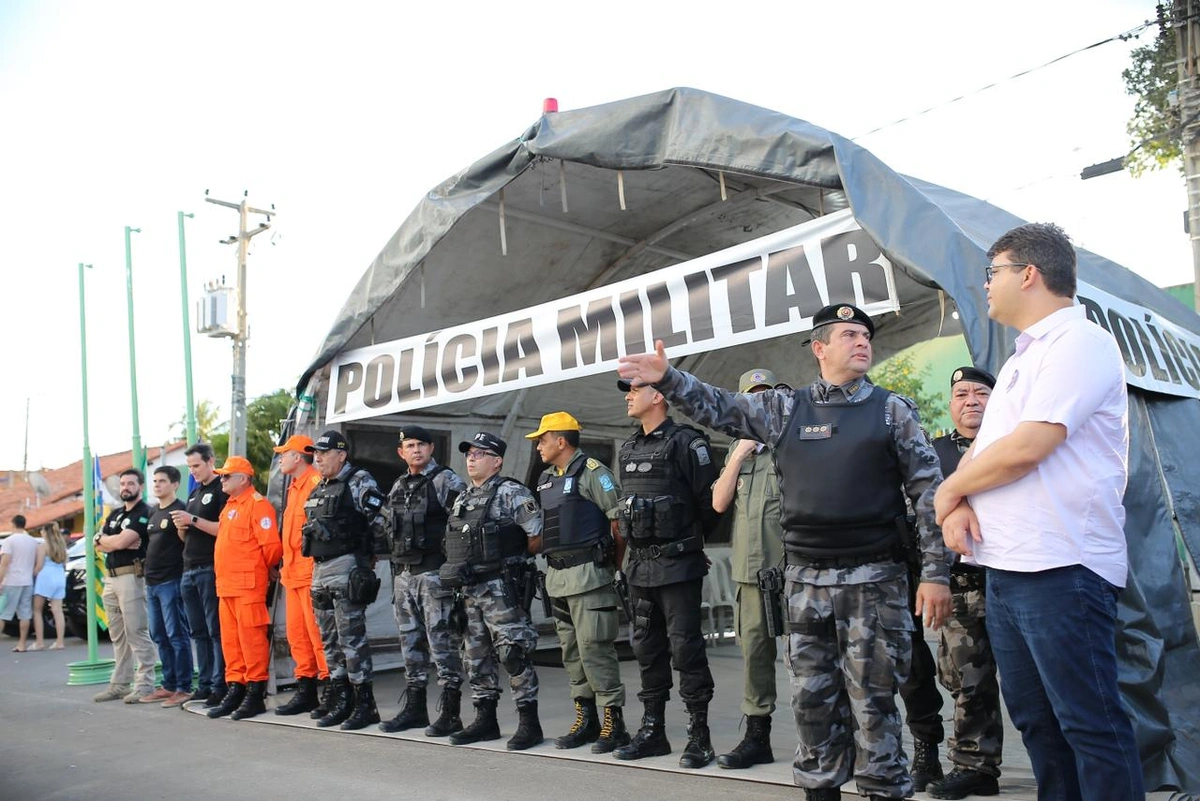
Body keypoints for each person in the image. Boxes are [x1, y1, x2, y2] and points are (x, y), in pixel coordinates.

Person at [617, 303, 952, 801]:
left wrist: (936, 573)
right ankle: (821, 789)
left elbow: (930, 495)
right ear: (819, 348)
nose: (862, 341)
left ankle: (883, 787)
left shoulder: (891, 410)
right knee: (812, 702)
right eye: (848, 335)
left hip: (874, 580)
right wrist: (670, 379)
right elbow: (721, 406)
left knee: (874, 703)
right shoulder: (785, 408)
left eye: (865, 334)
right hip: (806, 583)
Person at [935, 223, 1144, 801]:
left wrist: (945, 491)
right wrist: (958, 502)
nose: (985, 287)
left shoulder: (1080, 345)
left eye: (991, 273)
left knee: (1089, 725)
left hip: (1063, 568)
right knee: (1039, 724)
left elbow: (1029, 446)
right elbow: (985, 450)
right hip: (1006, 568)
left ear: (1028, 274)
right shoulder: (1023, 357)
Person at [611, 379, 720, 770]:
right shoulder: (629, 447)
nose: (627, 396)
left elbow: (710, 504)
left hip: (677, 567)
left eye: (634, 390)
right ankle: (653, 731)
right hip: (640, 566)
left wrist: (690, 544)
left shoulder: (688, 443)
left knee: (686, 649)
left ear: (658, 397)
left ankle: (698, 737)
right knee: (646, 650)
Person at [526, 412, 631, 753]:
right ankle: (586, 719)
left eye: (542, 439)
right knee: (571, 653)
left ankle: (614, 722)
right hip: (557, 579)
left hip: (589, 577)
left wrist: (615, 568)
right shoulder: (545, 479)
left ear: (561, 440)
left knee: (595, 649)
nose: (538, 445)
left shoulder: (593, 474)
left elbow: (618, 524)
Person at [925, 366, 1003, 800]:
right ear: (951, 405)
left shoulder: (1010, 442)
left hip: (1013, 578)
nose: (970, 400)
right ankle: (976, 766)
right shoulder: (933, 453)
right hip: (960, 585)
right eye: (961, 394)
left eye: (980, 393)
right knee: (967, 681)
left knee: (1038, 677)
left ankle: (1061, 762)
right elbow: (922, 519)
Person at [440, 431, 544, 751]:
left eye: (480, 453)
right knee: (475, 657)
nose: (472, 458)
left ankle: (529, 723)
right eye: (469, 453)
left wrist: (514, 562)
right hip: (469, 590)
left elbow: (537, 534)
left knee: (512, 653)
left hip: (501, 588)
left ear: (496, 461)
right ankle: (486, 720)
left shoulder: (512, 492)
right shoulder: (462, 497)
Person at [710, 368, 785, 771]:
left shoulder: (792, 443)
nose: (759, 402)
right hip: (750, 574)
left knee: (809, 656)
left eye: (766, 395)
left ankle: (826, 735)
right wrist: (739, 453)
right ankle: (758, 737)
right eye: (752, 396)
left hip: (792, 570)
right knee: (755, 654)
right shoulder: (736, 452)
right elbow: (720, 503)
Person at [379, 425, 468, 736]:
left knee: (443, 646)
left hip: (433, 575)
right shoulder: (399, 485)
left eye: (421, 445)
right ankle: (415, 709)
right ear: (401, 453)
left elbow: (462, 527)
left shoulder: (446, 480)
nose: (416, 450)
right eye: (410, 446)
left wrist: (454, 572)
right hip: (404, 575)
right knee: (411, 646)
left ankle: (451, 714)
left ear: (431, 449)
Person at [305, 430, 388, 731]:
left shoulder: (358, 480)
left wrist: (368, 558)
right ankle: (342, 700)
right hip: (320, 568)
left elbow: (381, 520)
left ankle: (365, 705)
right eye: (316, 453)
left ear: (341, 455)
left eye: (324, 453)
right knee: (329, 639)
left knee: (351, 639)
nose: (318, 458)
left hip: (346, 565)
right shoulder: (320, 486)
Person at [205, 456, 283, 721]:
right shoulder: (229, 506)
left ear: (243, 479)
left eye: (227, 476)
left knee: (251, 641)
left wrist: (260, 571)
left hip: (248, 585)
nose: (222, 480)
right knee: (231, 642)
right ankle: (235, 687)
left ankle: (254, 692)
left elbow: (271, 548)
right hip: (226, 585)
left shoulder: (257, 505)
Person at [271, 434, 330, 717]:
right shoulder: (294, 487)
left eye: (285, 453)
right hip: (292, 574)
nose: (281, 458)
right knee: (297, 636)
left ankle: (331, 690)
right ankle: (306, 691)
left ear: (298, 457)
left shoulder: (316, 484)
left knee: (318, 635)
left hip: (310, 572)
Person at [92, 469, 159, 703]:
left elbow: (122, 541)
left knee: (136, 632)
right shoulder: (115, 514)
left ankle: (145, 684)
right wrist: (106, 541)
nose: (125, 487)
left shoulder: (145, 512)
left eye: (131, 483)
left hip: (132, 576)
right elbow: (97, 542)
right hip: (111, 579)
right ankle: (120, 683)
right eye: (122, 483)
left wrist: (109, 541)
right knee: (117, 635)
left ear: (140, 486)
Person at [171, 442, 227, 706]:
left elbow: (223, 530)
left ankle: (221, 684)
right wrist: (181, 525)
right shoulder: (194, 494)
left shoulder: (221, 489)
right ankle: (204, 684)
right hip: (189, 569)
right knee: (198, 632)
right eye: (189, 466)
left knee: (215, 630)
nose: (192, 471)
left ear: (210, 461)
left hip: (210, 567)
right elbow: (187, 536)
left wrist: (191, 520)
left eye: (196, 465)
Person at [142, 466, 193, 707]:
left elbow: (187, 543)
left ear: (174, 484)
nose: (157, 485)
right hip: (151, 582)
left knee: (176, 635)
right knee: (158, 635)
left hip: (171, 581)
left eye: (162, 481)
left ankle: (184, 687)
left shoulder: (179, 510)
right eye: (155, 481)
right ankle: (169, 684)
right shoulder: (153, 512)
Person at [1, 514, 41, 652]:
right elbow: (36, 561)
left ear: (13, 524)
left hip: (12, 581)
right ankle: (22, 644)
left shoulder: (9, 541)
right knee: (25, 614)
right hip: (27, 581)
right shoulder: (32, 541)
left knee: (3, 614)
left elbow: (4, 563)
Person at [31, 526, 69, 651]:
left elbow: (39, 566)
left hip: (45, 576)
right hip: (59, 576)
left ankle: (39, 642)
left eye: (41, 531)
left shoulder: (43, 546)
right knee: (58, 611)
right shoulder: (61, 546)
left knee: (37, 610)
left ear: (45, 532)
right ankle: (60, 641)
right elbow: (64, 564)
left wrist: (32, 576)